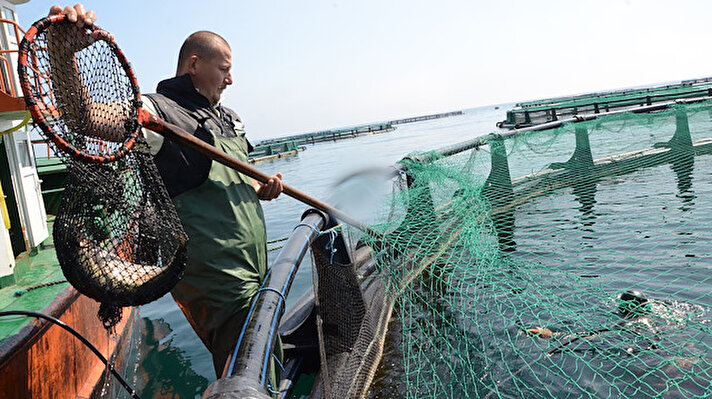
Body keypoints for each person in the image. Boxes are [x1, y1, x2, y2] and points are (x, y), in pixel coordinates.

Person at [50, 5, 285, 378]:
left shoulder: (229, 117)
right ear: (193, 65)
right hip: (218, 280)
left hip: (256, 268)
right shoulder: (158, 114)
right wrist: (62, 53)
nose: (231, 79)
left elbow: (231, 179)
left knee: (264, 355)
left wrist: (261, 188)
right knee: (245, 370)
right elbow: (83, 116)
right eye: (224, 69)